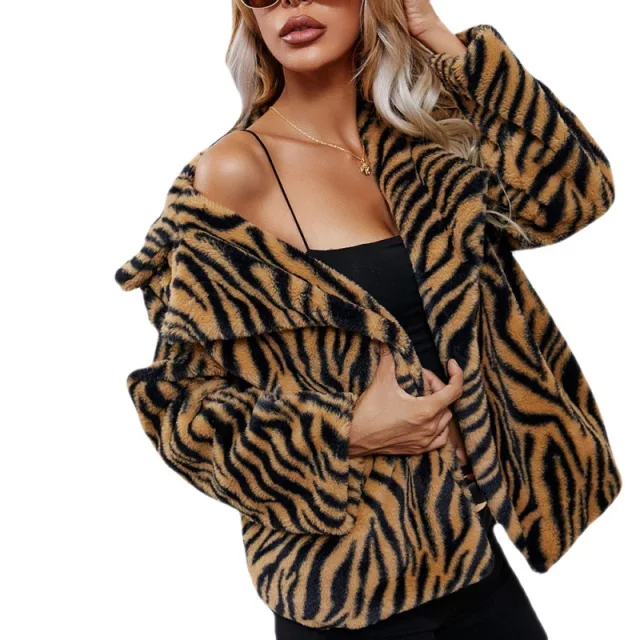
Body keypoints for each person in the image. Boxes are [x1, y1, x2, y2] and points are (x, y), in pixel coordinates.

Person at [114, 1, 621, 638]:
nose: (291, 3)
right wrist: (346, 431)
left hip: (472, 551)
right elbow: (180, 407)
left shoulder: (421, 147)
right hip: (349, 590)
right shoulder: (234, 173)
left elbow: (574, 195)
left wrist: (445, 46)